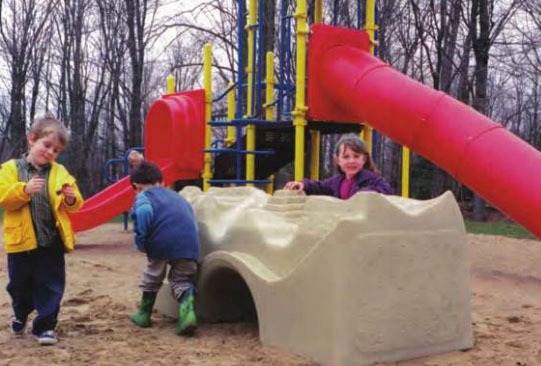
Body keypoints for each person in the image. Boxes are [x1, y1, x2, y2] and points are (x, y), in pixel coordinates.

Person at [0, 115, 84, 346]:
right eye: (46, 145)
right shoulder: (10, 169)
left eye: (55, 150)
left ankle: (45, 326)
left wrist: (70, 198)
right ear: (32, 139)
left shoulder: (59, 172)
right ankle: (21, 312)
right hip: (21, 242)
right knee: (19, 284)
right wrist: (23, 190)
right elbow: (3, 198)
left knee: (51, 284)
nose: (50, 152)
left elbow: (76, 201)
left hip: (51, 241)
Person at [129, 161, 199, 336]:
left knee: (153, 276)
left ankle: (144, 314)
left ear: (136, 186)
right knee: (181, 280)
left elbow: (144, 212)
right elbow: (190, 216)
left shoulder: (143, 197)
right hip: (189, 244)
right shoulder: (178, 197)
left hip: (161, 242)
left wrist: (141, 241)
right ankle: (187, 314)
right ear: (161, 181)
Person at [284, 134, 393, 198]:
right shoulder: (337, 181)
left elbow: (386, 190)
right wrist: (303, 184)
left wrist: (366, 193)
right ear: (337, 160)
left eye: (356, 156)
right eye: (346, 157)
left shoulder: (371, 179)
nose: (351, 161)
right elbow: (319, 187)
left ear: (364, 159)